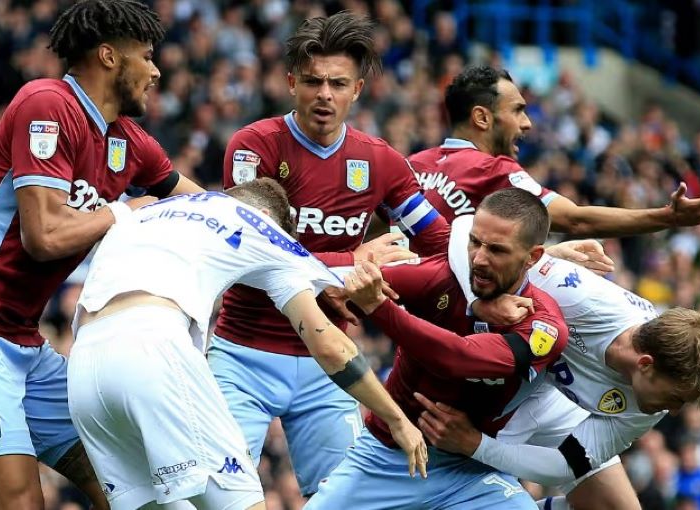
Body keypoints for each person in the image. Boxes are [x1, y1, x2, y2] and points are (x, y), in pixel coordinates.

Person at [0, 1, 203, 508]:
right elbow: (42, 235)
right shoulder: (46, 104)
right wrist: (123, 212)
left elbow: (206, 212)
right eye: (147, 56)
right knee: (21, 499)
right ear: (109, 56)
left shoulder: (130, 142)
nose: (156, 71)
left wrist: (316, 255)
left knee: (124, 481)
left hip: (22, 339)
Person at [67, 179, 427, 510]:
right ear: (271, 218)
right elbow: (329, 345)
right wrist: (396, 419)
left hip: (84, 370)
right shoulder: (259, 225)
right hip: (153, 350)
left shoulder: (148, 212)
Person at [208, 11, 448, 497]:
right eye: (314, 81)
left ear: (357, 90)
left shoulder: (379, 161)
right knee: (219, 496)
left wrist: (542, 256)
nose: (325, 94)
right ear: (292, 82)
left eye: (338, 83)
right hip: (243, 355)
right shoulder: (253, 147)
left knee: (339, 499)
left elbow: (440, 244)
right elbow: (252, 258)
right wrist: (351, 265)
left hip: (328, 368)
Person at [411, 215, 700, 510]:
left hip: (549, 394)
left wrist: (477, 445)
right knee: (427, 484)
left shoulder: (649, 402)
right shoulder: (582, 298)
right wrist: (478, 301)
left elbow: (568, 462)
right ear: (645, 363)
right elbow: (465, 226)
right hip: (497, 384)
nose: (672, 411)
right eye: (675, 398)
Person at [306, 188, 569, 509]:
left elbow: (460, 359)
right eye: (474, 242)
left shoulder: (544, 324)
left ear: (533, 256)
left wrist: (380, 308)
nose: (479, 259)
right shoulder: (439, 277)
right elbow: (316, 281)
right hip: (386, 458)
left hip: (471, 473)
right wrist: (349, 270)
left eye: (497, 251)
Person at [408, 64, 700, 254]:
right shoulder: (493, 169)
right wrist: (669, 217)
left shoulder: (413, 164)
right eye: (517, 110)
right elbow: (577, 220)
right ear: (482, 118)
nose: (527, 123)